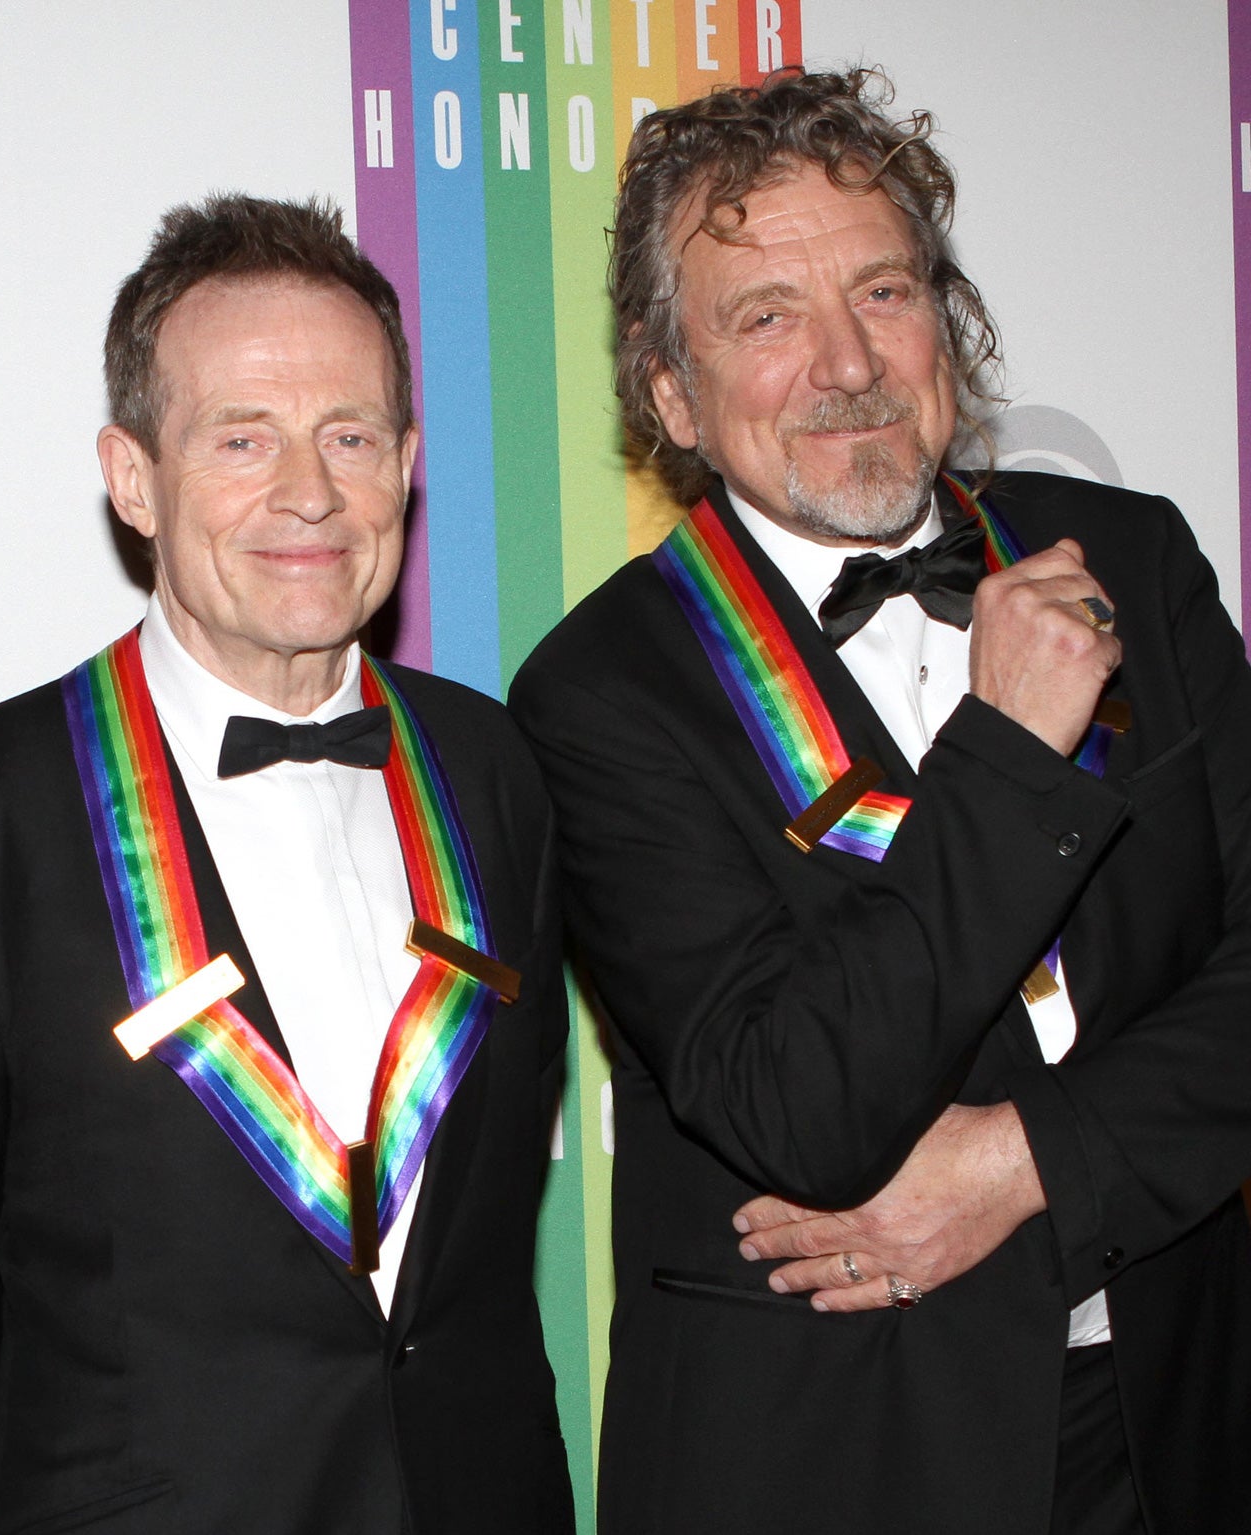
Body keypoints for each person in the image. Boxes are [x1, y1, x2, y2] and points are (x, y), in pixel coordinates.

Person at [509, 66, 1251, 1533]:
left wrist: (1030, 1160)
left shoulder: (1131, 561)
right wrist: (1015, 751)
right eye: (766, 319)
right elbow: (802, 1099)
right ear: (673, 390)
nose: (847, 363)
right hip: (828, 1460)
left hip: (1174, 1429)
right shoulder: (598, 696)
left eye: (886, 292)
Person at [0, 194, 573, 1534]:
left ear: (410, 461)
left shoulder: (498, 775)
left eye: (350, 438)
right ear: (133, 476)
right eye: (240, 439)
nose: (308, 494)